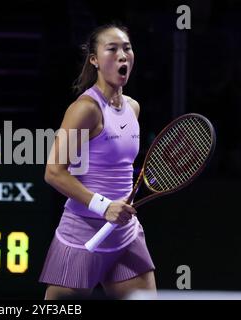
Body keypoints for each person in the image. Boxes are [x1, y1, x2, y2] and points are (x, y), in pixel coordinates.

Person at [40, 24, 156, 300]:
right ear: (94, 59)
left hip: (125, 235)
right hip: (83, 236)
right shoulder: (85, 110)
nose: (122, 55)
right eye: (112, 49)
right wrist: (104, 207)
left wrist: (116, 211)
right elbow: (54, 172)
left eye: (127, 48)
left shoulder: (132, 107)